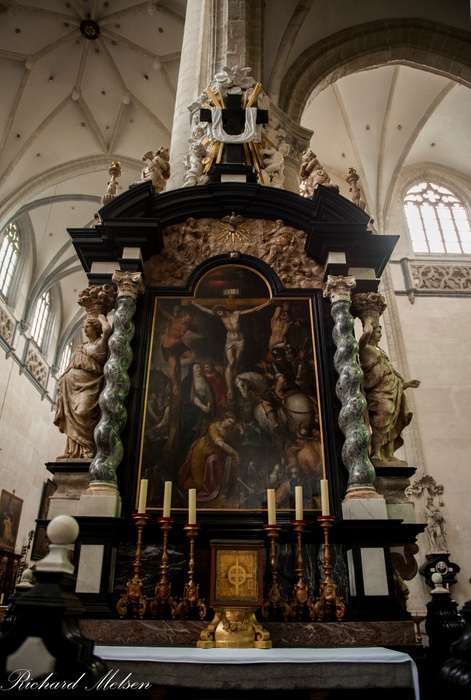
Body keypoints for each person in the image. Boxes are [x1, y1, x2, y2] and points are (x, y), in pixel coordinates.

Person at [358, 319, 420, 466]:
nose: (380, 334)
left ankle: (388, 453)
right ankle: (376, 452)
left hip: (392, 390)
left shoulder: (381, 352)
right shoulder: (365, 348)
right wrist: (368, 320)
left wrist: (406, 385)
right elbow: (366, 332)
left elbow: (389, 375)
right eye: (378, 331)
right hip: (378, 392)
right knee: (383, 417)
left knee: (392, 421)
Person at [54, 314, 112, 459]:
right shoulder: (81, 347)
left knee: (83, 412)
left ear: (95, 328)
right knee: (70, 416)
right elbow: (70, 367)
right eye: (84, 327)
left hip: (90, 385)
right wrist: (62, 379)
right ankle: (73, 451)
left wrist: (102, 319)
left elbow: (107, 330)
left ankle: (87, 447)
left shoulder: (100, 344)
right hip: (71, 386)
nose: (85, 330)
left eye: (87, 327)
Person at [190, 300, 271, 402]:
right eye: (218, 313)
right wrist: (194, 303)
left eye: (220, 311)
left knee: (235, 363)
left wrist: (266, 304)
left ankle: (233, 383)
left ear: (223, 309)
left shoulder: (236, 314)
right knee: (231, 362)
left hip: (240, 341)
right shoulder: (221, 318)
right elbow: (206, 310)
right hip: (230, 341)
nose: (220, 314)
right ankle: (229, 389)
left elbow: (254, 309)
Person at [179, 411, 244, 503]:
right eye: (229, 421)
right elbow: (221, 444)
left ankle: (213, 488)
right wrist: (235, 453)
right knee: (199, 482)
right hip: (201, 450)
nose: (230, 424)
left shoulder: (229, 429)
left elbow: (233, 442)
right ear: (224, 419)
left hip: (214, 451)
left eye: (232, 423)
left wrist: (241, 432)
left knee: (214, 463)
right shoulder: (214, 426)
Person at [159, 305, 194, 396]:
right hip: (168, 346)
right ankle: (174, 385)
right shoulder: (173, 319)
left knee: (190, 355)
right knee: (173, 365)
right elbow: (163, 312)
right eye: (187, 318)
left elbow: (194, 327)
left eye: (190, 319)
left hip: (179, 345)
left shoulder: (187, 324)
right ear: (183, 315)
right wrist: (160, 308)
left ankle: (175, 357)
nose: (188, 320)